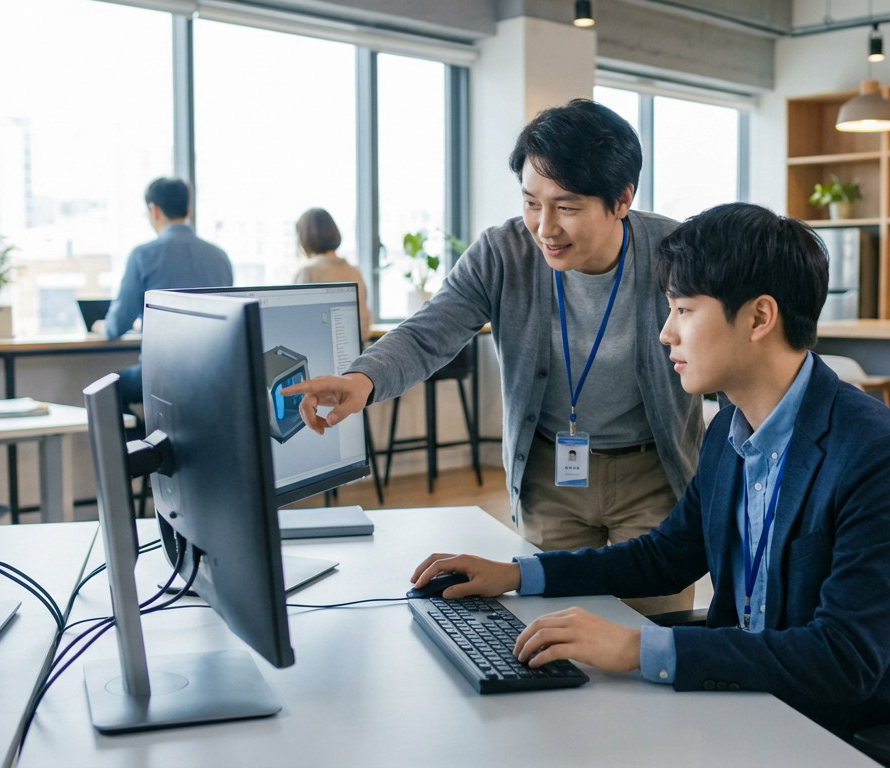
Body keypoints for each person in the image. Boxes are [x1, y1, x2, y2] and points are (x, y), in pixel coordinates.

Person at [409, 203, 890, 744]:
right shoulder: (730, 431)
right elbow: (667, 557)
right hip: (751, 703)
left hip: (851, 733)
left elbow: (845, 659)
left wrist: (634, 648)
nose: (665, 333)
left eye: (684, 310)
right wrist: (517, 576)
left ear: (760, 317)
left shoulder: (875, 455)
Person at [281, 99, 703, 616]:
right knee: (554, 634)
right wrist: (362, 380)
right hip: (551, 475)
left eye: (566, 207)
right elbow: (427, 333)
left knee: (651, 629)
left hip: (652, 472)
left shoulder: (674, 252)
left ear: (621, 200)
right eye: (531, 203)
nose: (545, 227)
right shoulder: (502, 253)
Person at [102, 177, 233, 408]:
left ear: (154, 210)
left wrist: (104, 326)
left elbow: (118, 325)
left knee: (110, 390)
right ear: (188, 209)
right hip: (214, 371)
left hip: (164, 371)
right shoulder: (219, 256)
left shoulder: (143, 255)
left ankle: (144, 443)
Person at [292, 207, 373, 342]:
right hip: (357, 351)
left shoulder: (308, 272)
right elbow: (364, 326)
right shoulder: (354, 271)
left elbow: (296, 325)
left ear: (304, 237)